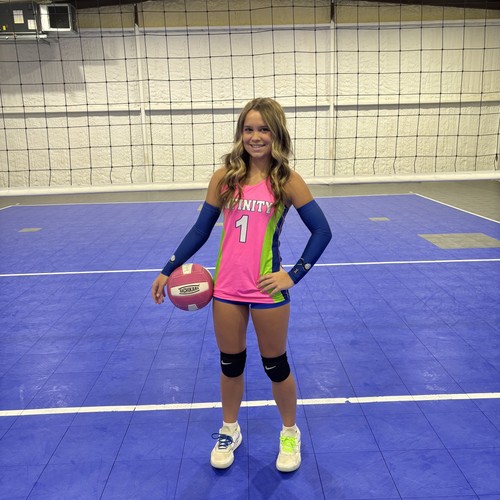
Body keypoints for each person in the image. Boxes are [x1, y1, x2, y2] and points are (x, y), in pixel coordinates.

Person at [152, 97, 332, 473]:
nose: (255, 136)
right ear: (240, 134)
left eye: (264, 129)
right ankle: (229, 429)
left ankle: (289, 433)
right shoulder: (225, 177)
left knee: (275, 366)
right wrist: (169, 268)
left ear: (277, 134)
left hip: (267, 290)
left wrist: (293, 274)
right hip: (226, 290)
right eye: (248, 129)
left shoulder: (287, 180)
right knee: (231, 365)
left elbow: (322, 231)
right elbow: (201, 229)